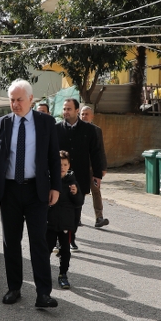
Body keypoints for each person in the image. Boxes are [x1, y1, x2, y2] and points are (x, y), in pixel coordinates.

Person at [0, 79, 62, 308]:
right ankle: (14, 288)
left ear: (31, 100)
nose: (15, 104)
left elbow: (54, 157)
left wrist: (56, 186)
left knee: (38, 242)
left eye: (19, 100)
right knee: (11, 242)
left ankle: (43, 293)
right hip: (10, 191)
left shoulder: (46, 122)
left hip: (37, 191)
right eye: (12, 100)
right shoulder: (2, 123)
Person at [55, 98, 105, 249]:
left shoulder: (89, 130)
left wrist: (97, 174)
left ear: (77, 110)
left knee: (76, 209)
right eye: (64, 109)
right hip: (59, 176)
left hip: (81, 176)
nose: (66, 112)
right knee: (58, 208)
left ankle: (71, 237)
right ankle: (60, 239)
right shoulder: (56, 129)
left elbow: (96, 153)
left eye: (69, 109)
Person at [48, 151, 84, 290]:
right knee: (46, 249)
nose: (62, 167)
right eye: (59, 164)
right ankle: (44, 274)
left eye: (65, 164)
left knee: (65, 251)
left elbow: (79, 202)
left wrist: (75, 193)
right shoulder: (48, 180)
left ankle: (63, 274)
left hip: (66, 223)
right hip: (49, 223)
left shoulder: (72, 182)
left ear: (69, 166)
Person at [79, 105, 109, 228]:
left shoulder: (97, 130)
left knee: (96, 192)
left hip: (93, 168)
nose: (84, 116)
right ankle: (76, 217)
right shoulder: (76, 130)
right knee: (78, 192)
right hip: (79, 168)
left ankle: (99, 218)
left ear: (92, 116)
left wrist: (103, 167)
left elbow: (101, 149)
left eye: (87, 114)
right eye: (83, 114)